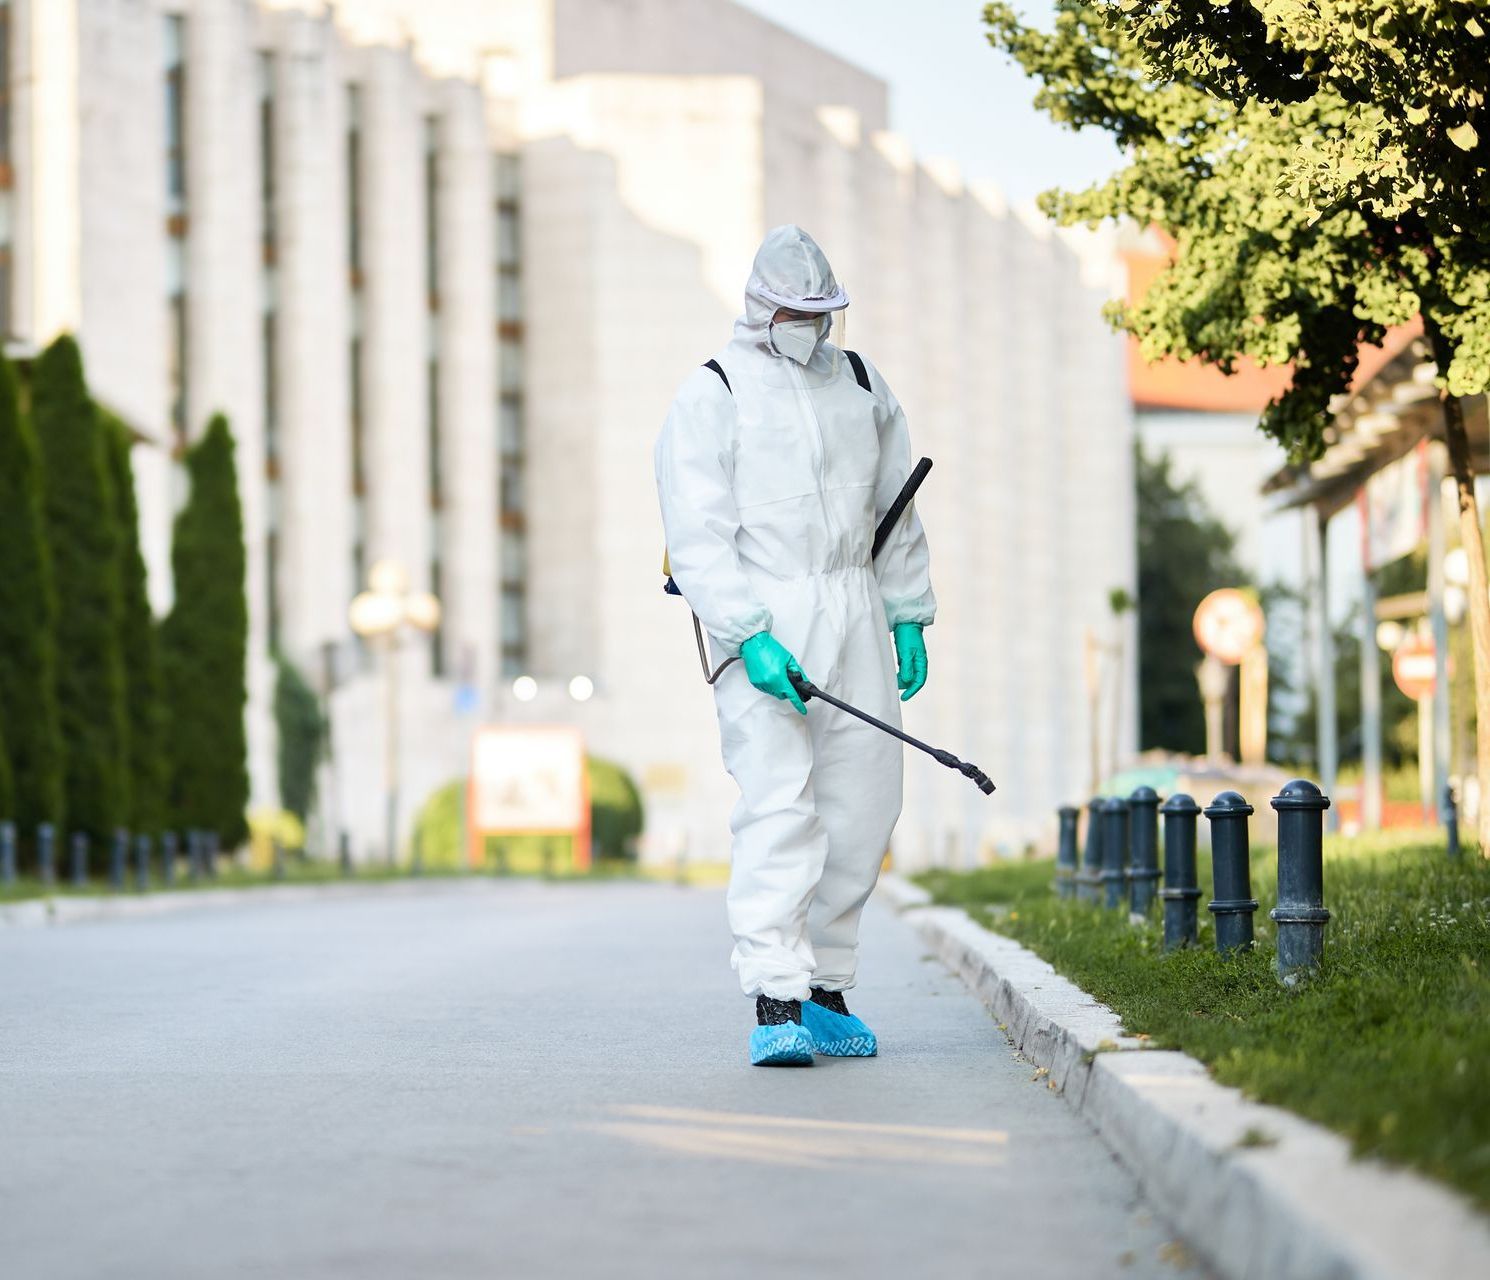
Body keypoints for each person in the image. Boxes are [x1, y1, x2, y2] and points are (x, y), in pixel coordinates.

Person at [654, 225, 935, 1066]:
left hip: (854, 604)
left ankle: (825, 988)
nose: (808, 327)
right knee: (780, 804)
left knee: (864, 802)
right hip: (764, 612)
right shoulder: (714, 393)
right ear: (758, 307)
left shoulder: (861, 384)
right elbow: (697, 535)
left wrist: (907, 610)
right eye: (793, 311)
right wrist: (747, 635)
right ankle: (776, 997)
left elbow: (896, 509)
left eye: (820, 312)